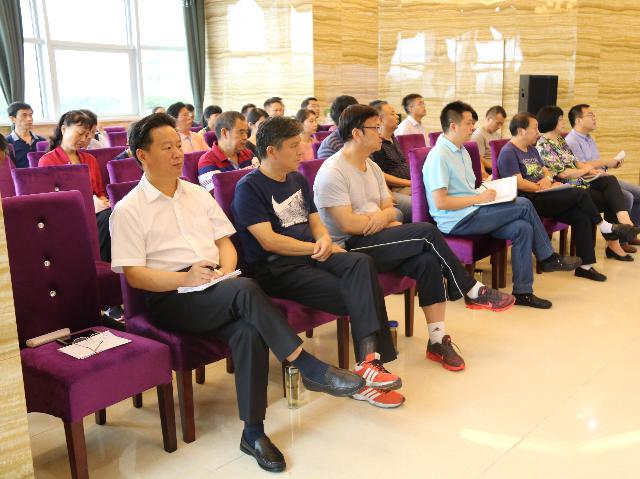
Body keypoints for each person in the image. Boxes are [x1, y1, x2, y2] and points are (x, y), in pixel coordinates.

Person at [109, 112, 364, 473]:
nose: (178, 153)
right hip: (171, 297)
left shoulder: (197, 194)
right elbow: (135, 276)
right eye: (166, 147)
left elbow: (224, 243)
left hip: (216, 285)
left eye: (178, 145)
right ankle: (305, 365)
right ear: (142, 155)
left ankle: (253, 432)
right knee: (246, 289)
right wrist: (187, 279)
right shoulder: (128, 210)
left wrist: (224, 271)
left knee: (247, 330)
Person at [314, 104, 515, 371]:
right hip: (349, 249)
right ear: (357, 133)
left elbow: (391, 206)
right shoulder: (333, 171)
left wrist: (382, 218)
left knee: (427, 262)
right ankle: (470, 289)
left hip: (378, 235)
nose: (381, 132)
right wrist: (383, 217)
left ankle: (437, 341)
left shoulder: (371, 166)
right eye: (375, 127)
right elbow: (348, 225)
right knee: (426, 232)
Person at [232, 116, 404, 408]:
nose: (302, 150)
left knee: (361, 264)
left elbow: (315, 221)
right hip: (278, 268)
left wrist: (324, 239)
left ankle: (367, 364)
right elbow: (269, 241)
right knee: (361, 292)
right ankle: (368, 374)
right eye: (293, 145)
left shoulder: (297, 179)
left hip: (312, 254)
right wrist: (316, 247)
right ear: (271, 151)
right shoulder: (249, 188)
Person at [423, 101, 581, 309]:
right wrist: (478, 199)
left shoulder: (462, 151)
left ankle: (523, 292)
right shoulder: (439, 156)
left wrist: (488, 190)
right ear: (453, 125)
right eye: (469, 123)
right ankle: (547, 257)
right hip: (457, 219)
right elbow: (441, 202)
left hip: (473, 210)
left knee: (522, 228)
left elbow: (468, 189)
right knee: (524, 203)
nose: (473, 127)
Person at [498, 113, 639, 282]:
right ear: (522, 131)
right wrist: (541, 187)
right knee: (579, 193)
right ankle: (603, 226)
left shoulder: (531, 148)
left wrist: (548, 180)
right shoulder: (508, 152)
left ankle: (585, 267)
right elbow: (518, 183)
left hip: (546, 194)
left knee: (582, 216)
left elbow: (546, 170)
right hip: (529, 200)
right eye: (534, 128)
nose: (538, 132)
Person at [535, 105, 638, 261]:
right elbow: (563, 173)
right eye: (560, 119)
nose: (564, 122)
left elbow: (576, 163)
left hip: (581, 180)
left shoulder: (560, 140)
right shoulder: (543, 145)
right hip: (569, 187)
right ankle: (614, 244)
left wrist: (592, 171)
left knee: (610, 179)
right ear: (551, 121)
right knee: (613, 199)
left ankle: (625, 221)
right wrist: (587, 169)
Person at [39, 110, 112, 262]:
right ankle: (99, 263)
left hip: (94, 211)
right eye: (80, 133)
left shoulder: (90, 159)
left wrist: (104, 200)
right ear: (64, 129)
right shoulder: (48, 161)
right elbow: (49, 201)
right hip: (67, 214)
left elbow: (99, 192)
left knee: (115, 214)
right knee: (107, 218)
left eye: (87, 135)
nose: (84, 139)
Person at [566, 103, 640, 248]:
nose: (594, 118)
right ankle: (620, 240)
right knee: (627, 196)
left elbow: (596, 163)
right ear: (578, 120)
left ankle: (631, 233)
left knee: (638, 193)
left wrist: (610, 164)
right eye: (590, 115)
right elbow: (582, 167)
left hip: (601, 177)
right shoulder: (571, 141)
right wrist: (606, 162)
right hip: (587, 181)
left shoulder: (589, 138)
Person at [370, 100, 412, 221]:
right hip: (395, 188)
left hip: (407, 184)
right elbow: (381, 175)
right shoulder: (377, 144)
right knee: (424, 200)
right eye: (392, 114)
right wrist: (409, 183)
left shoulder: (393, 138)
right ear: (380, 120)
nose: (397, 116)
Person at [197, 111, 259, 191]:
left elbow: (261, 180)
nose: (245, 137)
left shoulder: (248, 153)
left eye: (246, 132)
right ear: (224, 133)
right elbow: (219, 195)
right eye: (241, 132)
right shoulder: (207, 161)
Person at [5, 102, 46, 168]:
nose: (29, 119)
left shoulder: (42, 141)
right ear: (13, 119)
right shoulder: (6, 143)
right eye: (24, 115)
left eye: (30, 115)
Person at [471, 105, 506, 178]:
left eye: (501, 124)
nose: (499, 127)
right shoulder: (479, 135)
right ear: (488, 119)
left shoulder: (497, 134)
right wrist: (496, 167)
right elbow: (478, 158)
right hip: (489, 171)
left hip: (498, 168)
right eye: (498, 123)